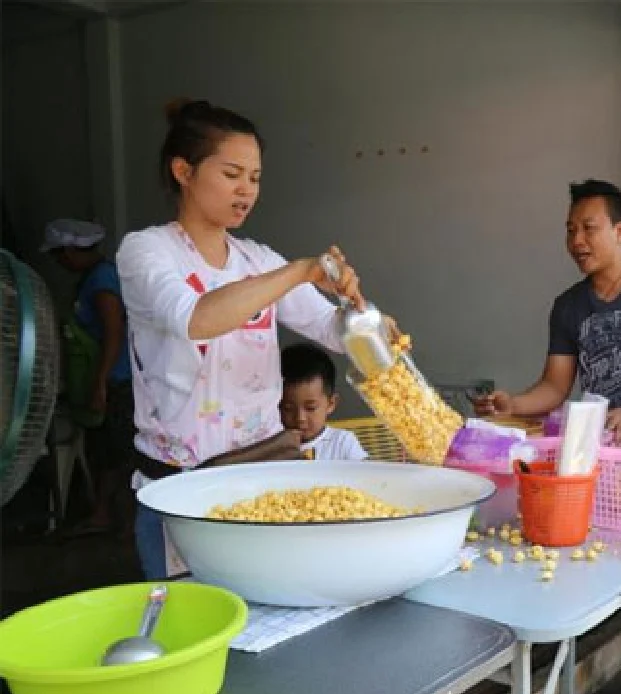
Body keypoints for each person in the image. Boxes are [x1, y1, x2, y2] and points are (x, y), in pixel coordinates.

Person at [117, 99, 380, 582]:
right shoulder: (146, 251)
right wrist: (300, 270)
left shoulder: (257, 259)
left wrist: (360, 315)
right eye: (233, 173)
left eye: (255, 178)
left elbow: (330, 331)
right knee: (198, 623)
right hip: (183, 491)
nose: (247, 190)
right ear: (184, 171)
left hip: (263, 476)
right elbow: (194, 318)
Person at [473, 179, 621, 694]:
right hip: (598, 452)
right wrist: (512, 402)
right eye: (571, 230)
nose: (577, 239)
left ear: (620, 231)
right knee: (589, 550)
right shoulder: (569, 306)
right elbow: (554, 387)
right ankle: (574, 654)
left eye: (589, 228)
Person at [43, 218, 136, 538]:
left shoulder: (103, 280)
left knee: (118, 451)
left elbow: (114, 332)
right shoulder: (90, 279)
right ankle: (106, 513)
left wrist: (101, 381)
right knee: (106, 450)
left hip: (118, 379)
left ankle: (118, 518)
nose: (59, 262)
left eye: (59, 254)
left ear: (71, 250)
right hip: (109, 377)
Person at [280, 343, 368, 461]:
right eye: (288, 408)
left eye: (311, 408)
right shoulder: (273, 447)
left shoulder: (343, 442)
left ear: (331, 404)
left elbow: (365, 475)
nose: (300, 418)